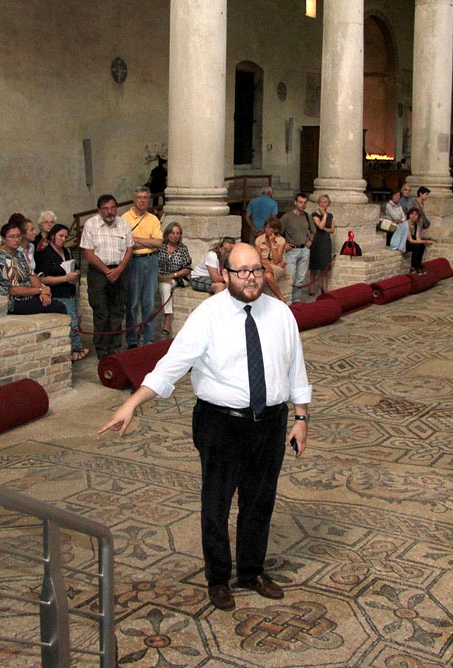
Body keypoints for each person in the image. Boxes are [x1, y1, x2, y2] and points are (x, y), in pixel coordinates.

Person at [98, 242, 311, 612]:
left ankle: (251, 571)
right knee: (217, 504)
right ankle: (218, 578)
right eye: (241, 272)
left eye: (256, 270)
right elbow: (172, 365)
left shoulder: (280, 313)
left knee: (260, 501)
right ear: (225, 274)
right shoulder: (207, 315)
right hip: (221, 424)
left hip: (271, 423)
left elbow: (296, 368)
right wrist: (132, 403)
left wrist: (301, 418)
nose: (251, 278)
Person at [80, 194, 134, 358]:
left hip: (120, 271)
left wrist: (119, 269)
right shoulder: (91, 224)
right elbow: (88, 253)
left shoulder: (124, 223)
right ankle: (102, 348)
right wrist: (106, 271)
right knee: (101, 311)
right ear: (99, 210)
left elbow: (129, 249)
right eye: (106, 209)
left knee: (117, 310)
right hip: (99, 272)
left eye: (112, 208)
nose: (110, 212)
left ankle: (115, 347)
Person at [0, 219, 68, 316]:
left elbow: (31, 275)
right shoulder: (3, 259)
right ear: (3, 239)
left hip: (30, 294)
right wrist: (40, 290)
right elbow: (15, 290)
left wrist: (43, 292)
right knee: (59, 307)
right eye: (12, 237)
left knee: (53, 301)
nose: (16, 240)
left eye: (18, 236)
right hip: (15, 301)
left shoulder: (18, 253)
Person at [36, 223, 87, 362]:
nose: (63, 239)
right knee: (71, 322)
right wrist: (65, 278)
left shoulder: (67, 251)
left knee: (76, 319)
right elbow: (43, 278)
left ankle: (76, 348)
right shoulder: (46, 255)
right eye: (61, 236)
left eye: (65, 236)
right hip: (58, 293)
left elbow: (77, 268)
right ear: (53, 236)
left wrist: (75, 274)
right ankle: (76, 349)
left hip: (70, 291)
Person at [122, 186, 163, 349]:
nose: (142, 200)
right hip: (133, 261)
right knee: (132, 303)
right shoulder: (125, 218)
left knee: (149, 303)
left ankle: (148, 339)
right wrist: (147, 241)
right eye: (139, 197)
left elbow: (158, 243)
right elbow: (126, 243)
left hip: (151, 260)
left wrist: (137, 240)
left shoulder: (153, 219)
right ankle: (132, 339)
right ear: (134, 200)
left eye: (145, 197)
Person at [157, 222, 193, 338]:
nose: (175, 236)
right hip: (157, 276)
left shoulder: (183, 249)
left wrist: (172, 275)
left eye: (178, 233)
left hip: (176, 278)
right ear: (167, 234)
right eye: (173, 233)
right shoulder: (160, 247)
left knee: (165, 286)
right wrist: (159, 276)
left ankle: (167, 319)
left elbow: (187, 269)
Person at [280, 193, 316, 303]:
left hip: (304, 249)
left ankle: (296, 300)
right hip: (292, 250)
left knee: (300, 278)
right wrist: (284, 244)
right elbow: (278, 233)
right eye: (300, 202)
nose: (302, 205)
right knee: (290, 276)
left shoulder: (307, 216)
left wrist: (310, 241)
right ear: (295, 202)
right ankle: (288, 299)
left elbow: (313, 231)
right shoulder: (287, 217)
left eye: (304, 202)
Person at [255, 218, 288, 303]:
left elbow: (277, 260)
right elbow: (258, 259)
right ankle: (281, 298)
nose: (267, 229)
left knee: (265, 271)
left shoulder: (281, 240)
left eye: (270, 228)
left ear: (276, 230)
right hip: (265, 266)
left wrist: (273, 243)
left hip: (277, 268)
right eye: (266, 227)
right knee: (267, 275)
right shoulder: (259, 240)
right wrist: (271, 264)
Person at [308, 195, 335, 296]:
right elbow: (320, 226)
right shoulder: (315, 214)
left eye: (325, 202)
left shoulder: (330, 215)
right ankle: (312, 287)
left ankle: (324, 287)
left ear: (328, 204)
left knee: (325, 265)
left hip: (326, 241)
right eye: (321, 202)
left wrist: (325, 228)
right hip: (317, 240)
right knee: (314, 265)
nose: (323, 204)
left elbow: (332, 229)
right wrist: (324, 215)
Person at [406, 208, 434, 274]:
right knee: (417, 246)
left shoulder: (416, 225)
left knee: (422, 246)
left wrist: (426, 242)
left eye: (416, 214)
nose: (413, 216)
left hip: (411, 241)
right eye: (412, 214)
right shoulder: (406, 224)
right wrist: (425, 241)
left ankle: (418, 264)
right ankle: (413, 266)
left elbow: (417, 238)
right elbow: (410, 240)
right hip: (403, 242)